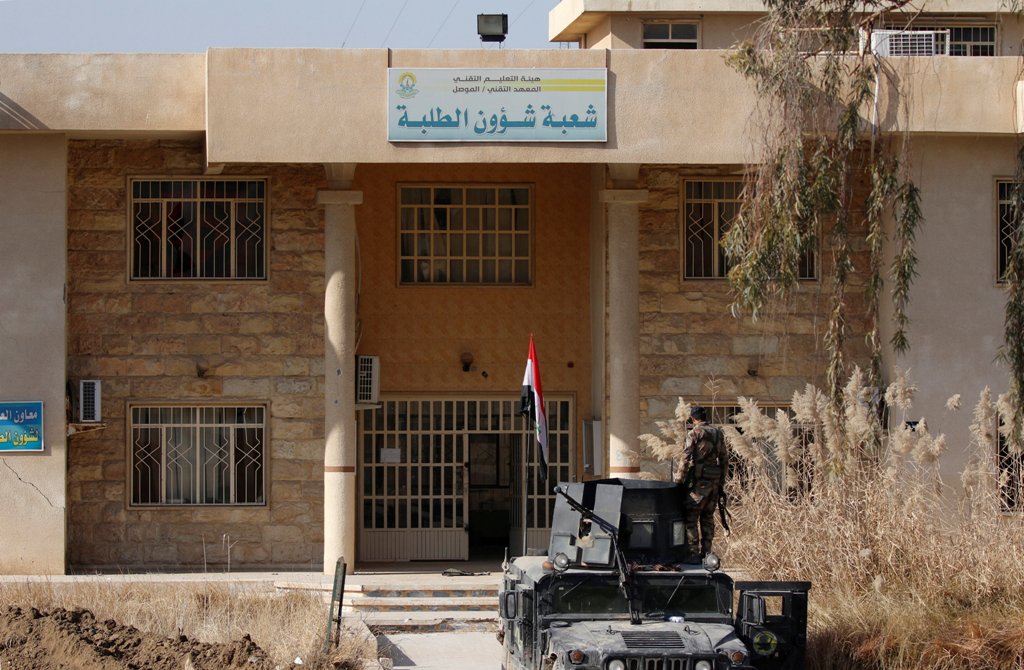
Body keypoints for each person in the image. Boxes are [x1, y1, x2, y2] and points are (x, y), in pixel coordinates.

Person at [672, 405, 728, 561]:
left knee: (691, 517)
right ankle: (707, 553)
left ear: (693, 418)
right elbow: (724, 459)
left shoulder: (694, 433)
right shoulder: (718, 433)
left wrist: (679, 481)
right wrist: (721, 482)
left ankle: (693, 554)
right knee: (708, 517)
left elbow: (685, 458)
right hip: (714, 483)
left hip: (700, 484)